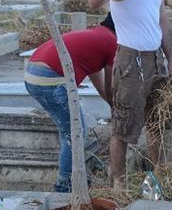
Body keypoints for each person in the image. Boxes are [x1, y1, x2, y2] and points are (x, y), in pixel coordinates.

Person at [88, 0, 172, 193]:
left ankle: (157, 177)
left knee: (158, 122)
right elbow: (94, 2)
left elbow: (162, 22)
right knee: (123, 126)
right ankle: (119, 184)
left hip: (155, 61)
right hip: (130, 62)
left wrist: (171, 58)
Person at [24, 13, 116, 193]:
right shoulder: (113, 42)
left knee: (70, 130)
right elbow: (110, 82)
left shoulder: (97, 35)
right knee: (75, 134)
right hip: (51, 78)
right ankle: (64, 185)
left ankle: (75, 176)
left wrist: (110, 103)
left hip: (32, 73)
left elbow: (94, 74)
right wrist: (115, 104)